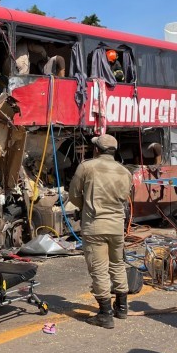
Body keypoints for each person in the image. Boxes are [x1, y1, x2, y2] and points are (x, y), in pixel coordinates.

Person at [69, 134, 134, 328]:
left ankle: (105, 314)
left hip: (95, 225)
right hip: (116, 226)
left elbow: (73, 195)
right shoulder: (125, 172)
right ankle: (122, 307)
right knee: (118, 264)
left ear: (97, 149)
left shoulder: (87, 167)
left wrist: (87, 208)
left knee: (99, 270)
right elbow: (125, 197)